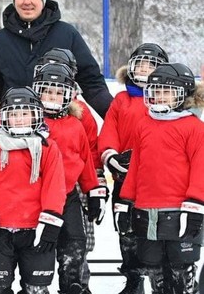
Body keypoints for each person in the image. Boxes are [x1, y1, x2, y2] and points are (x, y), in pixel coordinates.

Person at [117, 63, 204, 294]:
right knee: (154, 271)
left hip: (180, 213)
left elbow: (200, 167)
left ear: (182, 93)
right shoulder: (144, 123)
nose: (159, 96)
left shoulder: (193, 127)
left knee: (180, 272)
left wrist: (195, 205)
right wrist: (126, 201)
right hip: (147, 212)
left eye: (166, 91)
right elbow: (136, 166)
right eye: (155, 91)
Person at [0, 87, 66, 294]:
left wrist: (50, 221)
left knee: (36, 289)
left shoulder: (47, 147)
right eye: (13, 114)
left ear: (36, 114)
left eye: (24, 113)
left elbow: (55, 187)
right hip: (1, 230)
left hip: (35, 230)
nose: (19, 119)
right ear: (4, 116)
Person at [0, 0, 112, 118]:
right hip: (16, 123)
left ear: (43, 0)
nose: (27, 1)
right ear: (14, 2)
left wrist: (115, 119)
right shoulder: (0, 40)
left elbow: (92, 82)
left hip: (59, 121)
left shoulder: (67, 34)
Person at [98, 42, 168, 294]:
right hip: (126, 179)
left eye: (152, 66)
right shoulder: (122, 100)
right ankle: (133, 277)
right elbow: (109, 131)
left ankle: (163, 277)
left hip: (159, 182)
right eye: (141, 65)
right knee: (126, 229)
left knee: (157, 229)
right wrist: (111, 155)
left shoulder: (167, 102)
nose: (145, 71)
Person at [33, 64, 107, 294]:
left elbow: (85, 161)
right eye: (47, 91)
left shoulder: (75, 125)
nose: (52, 97)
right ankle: (35, 286)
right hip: (36, 198)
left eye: (58, 92)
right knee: (40, 249)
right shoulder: (30, 123)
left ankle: (72, 284)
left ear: (68, 95)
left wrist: (94, 191)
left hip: (68, 196)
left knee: (76, 242)